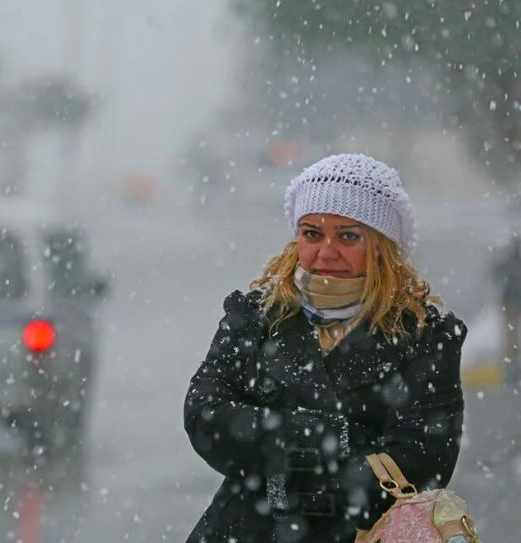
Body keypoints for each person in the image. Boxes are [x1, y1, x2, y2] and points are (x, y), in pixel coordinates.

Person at [184, 154, 467, 543]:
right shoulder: (257, 315)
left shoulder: (424, 335)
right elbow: (205, 416)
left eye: (348, 236)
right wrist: (338, 438)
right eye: (312, 233)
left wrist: (276, 464)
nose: (327, 252)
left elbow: (424, 462)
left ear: (382, 246)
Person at [491, 237, 521, 387]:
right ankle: (512, 368)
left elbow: (494, 271)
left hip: (510, 301)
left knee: (511, 337)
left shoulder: (509, 262)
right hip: (512, 301)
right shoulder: (510, 263)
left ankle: (512, 368)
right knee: (511, 337)